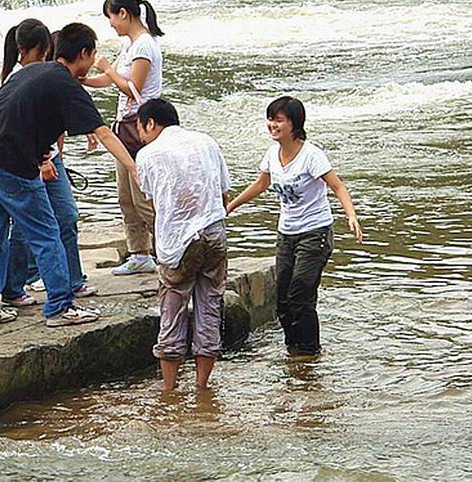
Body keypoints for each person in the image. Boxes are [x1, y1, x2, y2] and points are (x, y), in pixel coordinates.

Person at [0, 22, 138, 329]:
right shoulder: (65, 84)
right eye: (93, 54)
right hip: (12, 166)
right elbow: (104, 134)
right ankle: (60, 306)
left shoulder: (29, 71)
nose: (92, 62)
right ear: (84, 54)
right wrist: (134, 169)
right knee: (48, 232)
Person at [226, 96, 363, 358]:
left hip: (315, 233)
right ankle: (294, 351)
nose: (272, 125)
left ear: (294, 124)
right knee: (284, 300)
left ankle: (310, 353)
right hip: (286, 234)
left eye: (278, 120)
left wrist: (351, 216)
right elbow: (260, 184)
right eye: (270, 119)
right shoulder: (272, 154)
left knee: (301, 294)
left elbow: (338, 186)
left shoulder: (311, 155)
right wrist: (231, 206)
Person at [0, 21, 97, 309]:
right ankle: (16, 287)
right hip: (30, 161)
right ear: (24, 52)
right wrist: (41, 163)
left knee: (66, 216)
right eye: (42, 54)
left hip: (49, 158)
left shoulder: (44, 74)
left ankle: (71, 280)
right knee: (26, 227)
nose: (45, 61)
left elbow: (57, 119)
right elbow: (22, 129)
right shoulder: (19, 79)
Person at [135, 98, 232, 391]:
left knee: (173, 314)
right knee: (209, 309)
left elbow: (154, 202)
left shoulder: (147, 154)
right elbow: (224, 193)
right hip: (214, 233)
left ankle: (169, 391)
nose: (140, 134)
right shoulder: (207, 142)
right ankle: (202, 388)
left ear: (150, 123)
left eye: (140, 127)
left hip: (177, 243)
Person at [83, 0, 164, 276]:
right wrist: (83, 79)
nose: (110, 24)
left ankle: (168, 248)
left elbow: (134, 89)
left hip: (140, 130)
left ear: (124, 14)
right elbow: (110, 79)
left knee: (143, 196)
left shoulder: (144, 46)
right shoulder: (130, 46)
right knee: (125, 197)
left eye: (111, 17)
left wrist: (106, 67)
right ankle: (139, 253)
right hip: (124, 129)